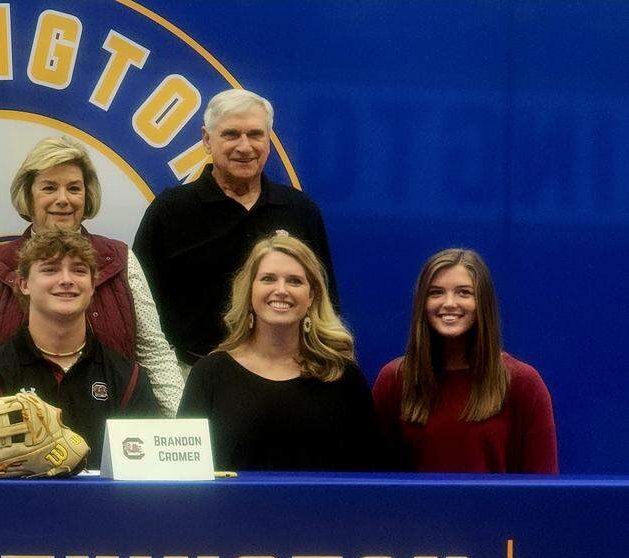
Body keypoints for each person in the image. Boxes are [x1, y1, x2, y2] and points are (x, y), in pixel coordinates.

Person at [0, 136, 182, 416]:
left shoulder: (121, 260)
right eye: (49, 188)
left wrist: (179, 432)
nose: (63, 199)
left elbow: (154, 354)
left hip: (110, 437)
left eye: (73, 188)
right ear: (28, 196)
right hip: (15, 443)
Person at [134, 89, 338, 371]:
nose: (245, 146)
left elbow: (325, 304)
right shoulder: (170, 211)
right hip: (189, 372)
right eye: (231, 134)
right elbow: (138, 308)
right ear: (207, 139)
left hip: (286, 372)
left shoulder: (300, 211)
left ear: (269, 141)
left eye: (255, 134)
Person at [177, 233, 380, 471]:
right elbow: (186, 474)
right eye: (268, 279)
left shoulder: (342, 376)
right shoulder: (210, 375)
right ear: (250, 291)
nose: (281, 290)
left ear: (311, 296)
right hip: (232, 509)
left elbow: (371, 475)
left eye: (294, 281)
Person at [0, 230, 159, 462]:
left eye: (79, 270)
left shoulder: (128, 379)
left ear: (93, 285)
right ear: (23, 284)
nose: (66, 280)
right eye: (50, 269)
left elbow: (144, 476)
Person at [372, 249, 558, 473]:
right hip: (416, 510)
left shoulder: (524, 384)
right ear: (422, 302)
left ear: (483, 302)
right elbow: (375, 483)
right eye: (436, 292)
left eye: (464, 293)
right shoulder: (394, 380)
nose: (449, 303)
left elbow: (543, 489)